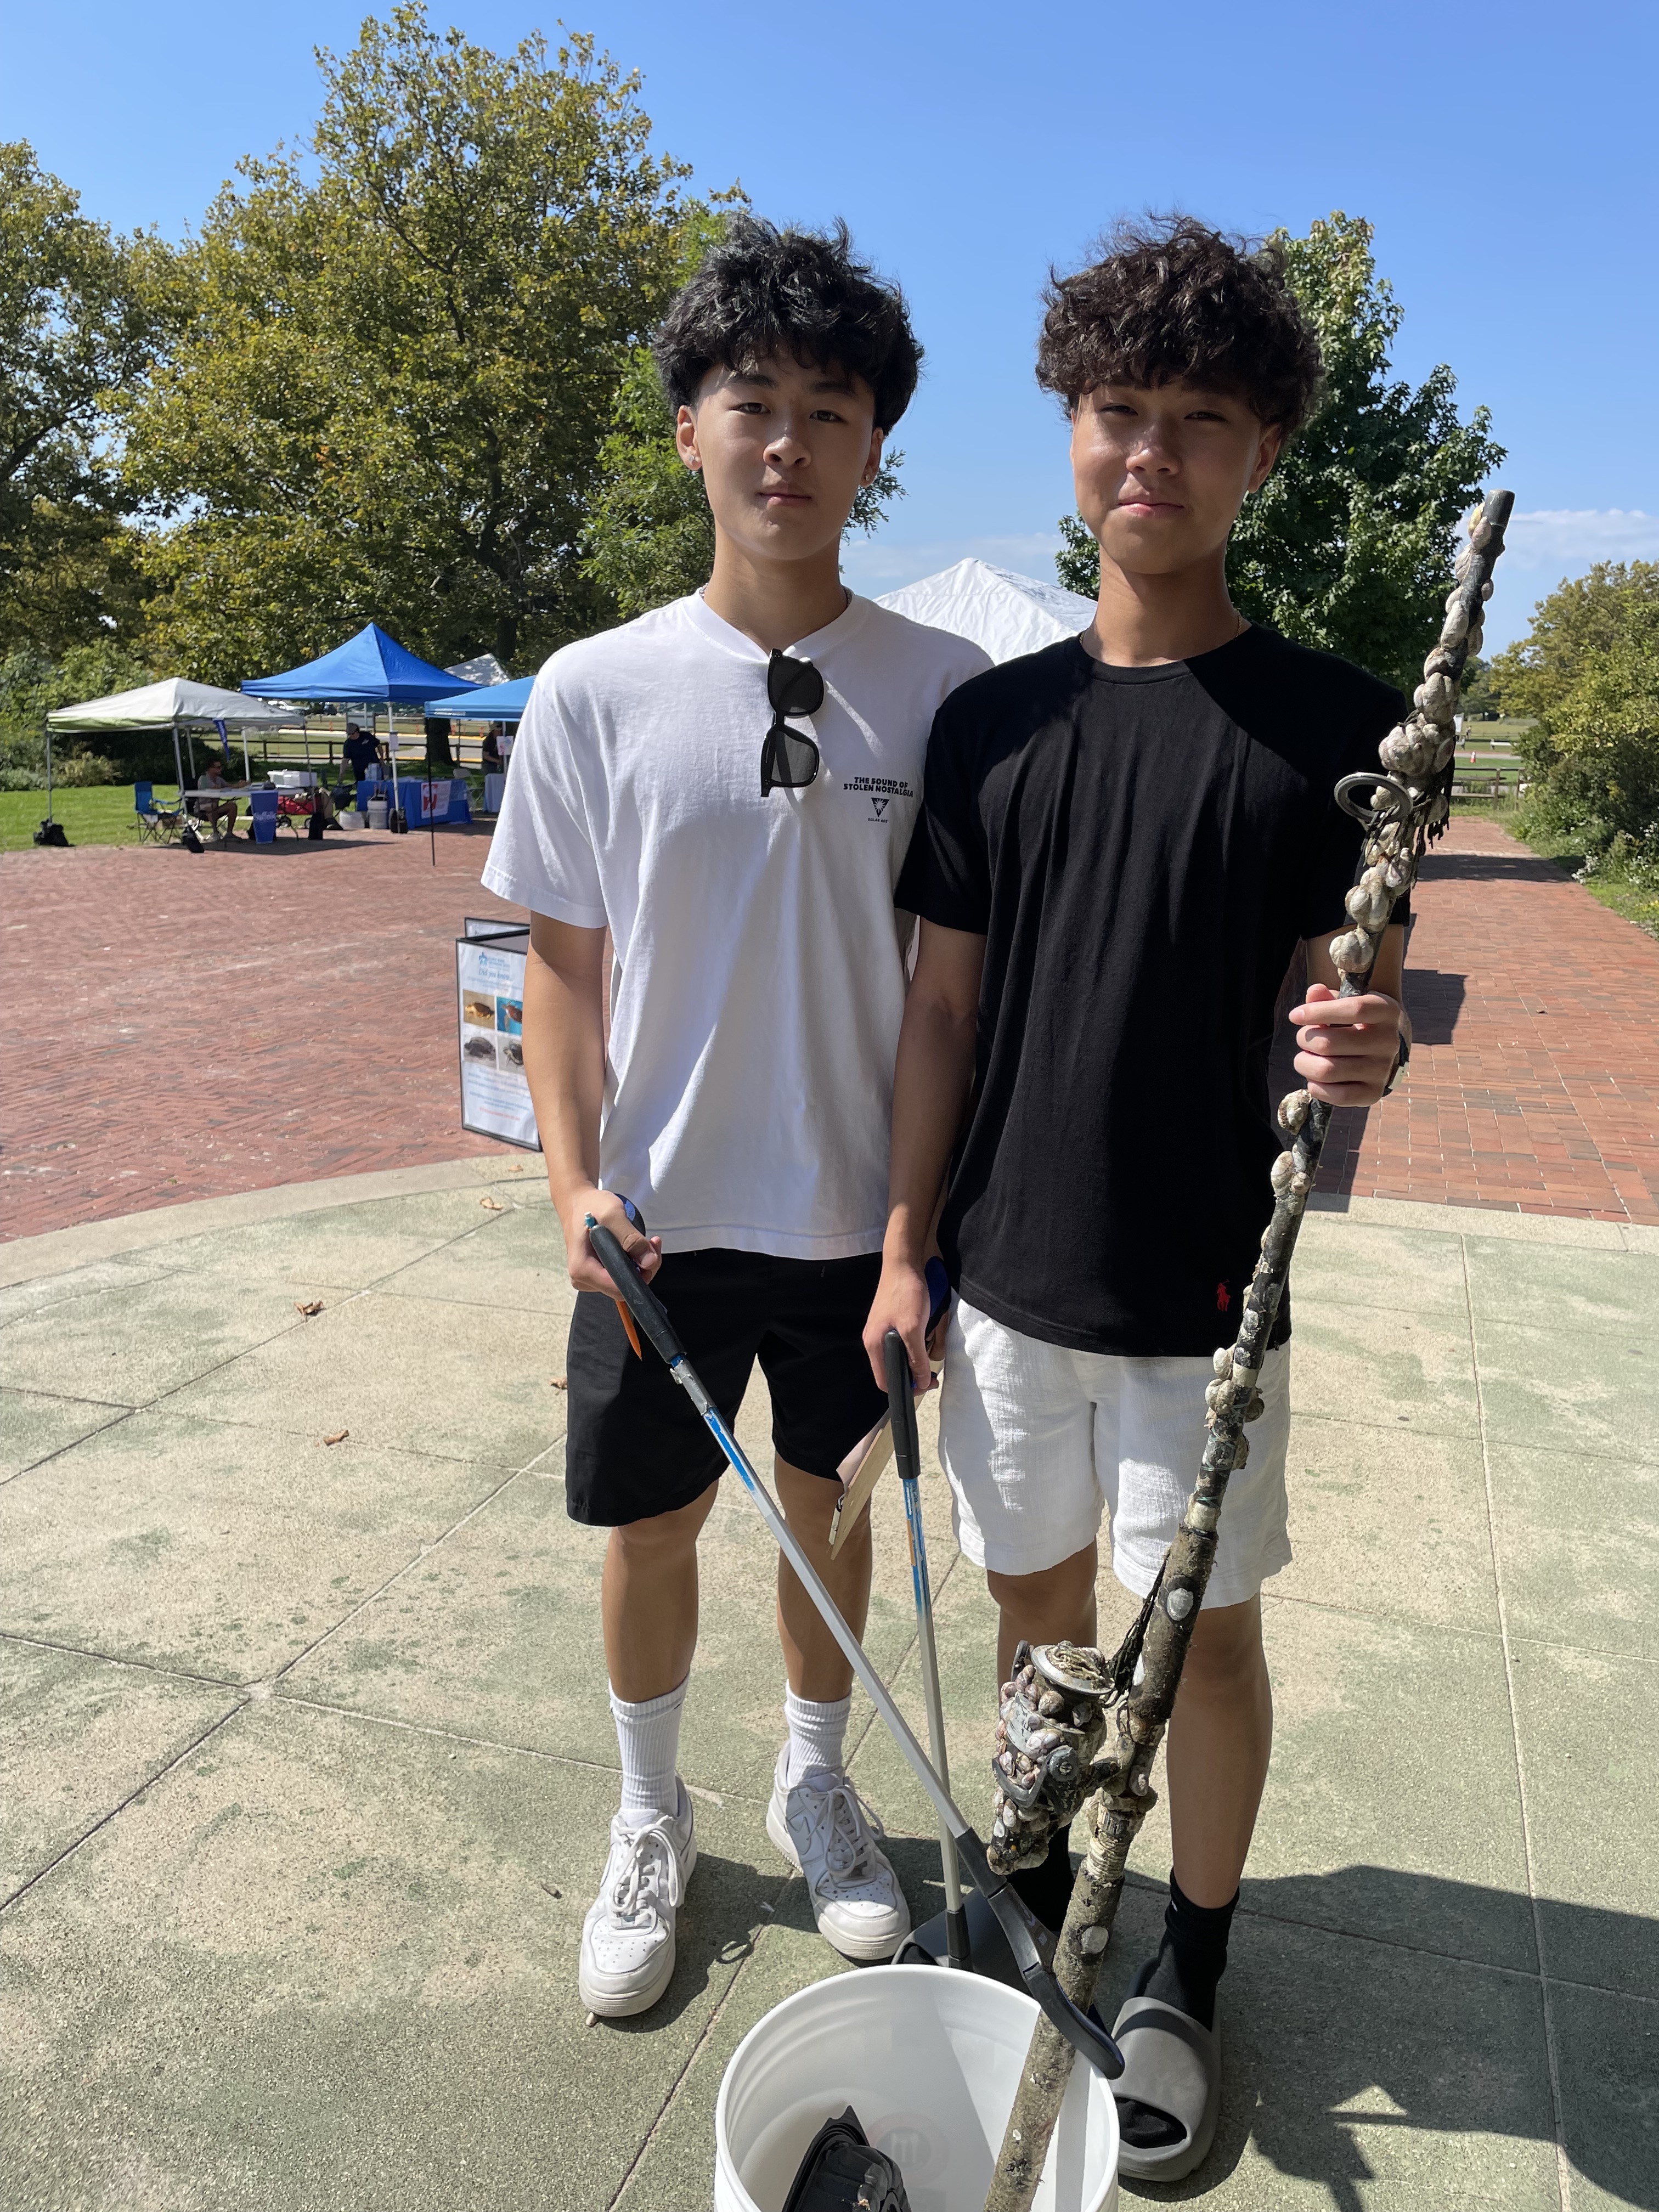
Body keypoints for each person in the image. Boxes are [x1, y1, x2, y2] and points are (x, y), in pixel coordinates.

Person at [864, 217, 1411, 2184]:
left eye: (1196, 420)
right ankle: (1028, 1900)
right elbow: (941, 1009)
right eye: (1115, 412)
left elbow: (1340, 1010)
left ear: (1259, 452)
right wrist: (906, 1250)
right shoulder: (990, 724)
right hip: (1007, 1274)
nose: (1148, 455)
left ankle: (1189, 1958)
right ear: (1070, 428)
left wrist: (1361, 1051)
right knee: (1037, 1617)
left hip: (1206, 1296)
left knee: (1202, 1640)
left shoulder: (1344, 731)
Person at [483, 217, 988, 2022]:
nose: (787, 442)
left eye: (829, 410)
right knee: (649, 1532)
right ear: (687, 428)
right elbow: (559, 967)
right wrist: (570, 1189)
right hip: (657, 1223)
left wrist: (918, 1234)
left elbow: (949, 994)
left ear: (874, 447)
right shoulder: (594, 687)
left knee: (828, 1524)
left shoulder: (943, 692)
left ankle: (813, 1782)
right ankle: (648, 1815)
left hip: (859, 1224)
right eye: (750, 402)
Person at [189, 754, 240, 840]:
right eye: (218, 767)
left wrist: (240, 785)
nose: (221, 769)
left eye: (221, 767)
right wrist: (234, 786)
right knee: (211, 806)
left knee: (232, 806)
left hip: (215, 808)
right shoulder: (204, 779)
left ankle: (229, 833)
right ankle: (215, 833)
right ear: (210, 769)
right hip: (201, 808)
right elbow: (216, 788)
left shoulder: (218, 779)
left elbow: (229, 786)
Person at [342, 721, 383, 787]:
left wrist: (382, 759)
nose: (351, 736)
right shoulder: (348, 744)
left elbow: (379, 745)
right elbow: (345, 760)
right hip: (359, 770)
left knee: (377, 786)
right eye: (349, 734)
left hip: (374, 767)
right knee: (362, 788)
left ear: (357, 731)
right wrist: (341, 777)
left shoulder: (366, 736)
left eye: (352, 734)